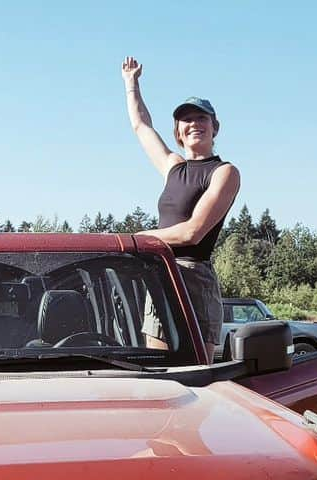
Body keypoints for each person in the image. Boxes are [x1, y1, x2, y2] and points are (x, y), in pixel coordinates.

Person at [121, 56, 240, 356]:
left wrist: (135, 240)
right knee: (161, 371)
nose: (194, 124)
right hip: (161, 273)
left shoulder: (224, 172)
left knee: (196, 374)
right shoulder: (173, 166)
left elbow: (192, 233)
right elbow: (141, 126)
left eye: (202, 118)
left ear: (215, 127)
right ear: (178, 132)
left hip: (194, 277)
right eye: (187, 120)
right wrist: (131, 84)